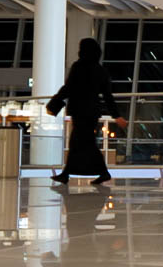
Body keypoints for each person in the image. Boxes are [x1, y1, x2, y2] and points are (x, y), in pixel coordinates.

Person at [47, 37, 118, 186]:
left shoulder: (78, 67)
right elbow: (107, 96)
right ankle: (68, 174)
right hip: (92, 112)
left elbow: (68, 87)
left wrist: (54, 104)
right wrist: (116, 115)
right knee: (80, 142)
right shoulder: (101, 71)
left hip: (79, 111)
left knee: (82, 142)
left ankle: (101, 172)